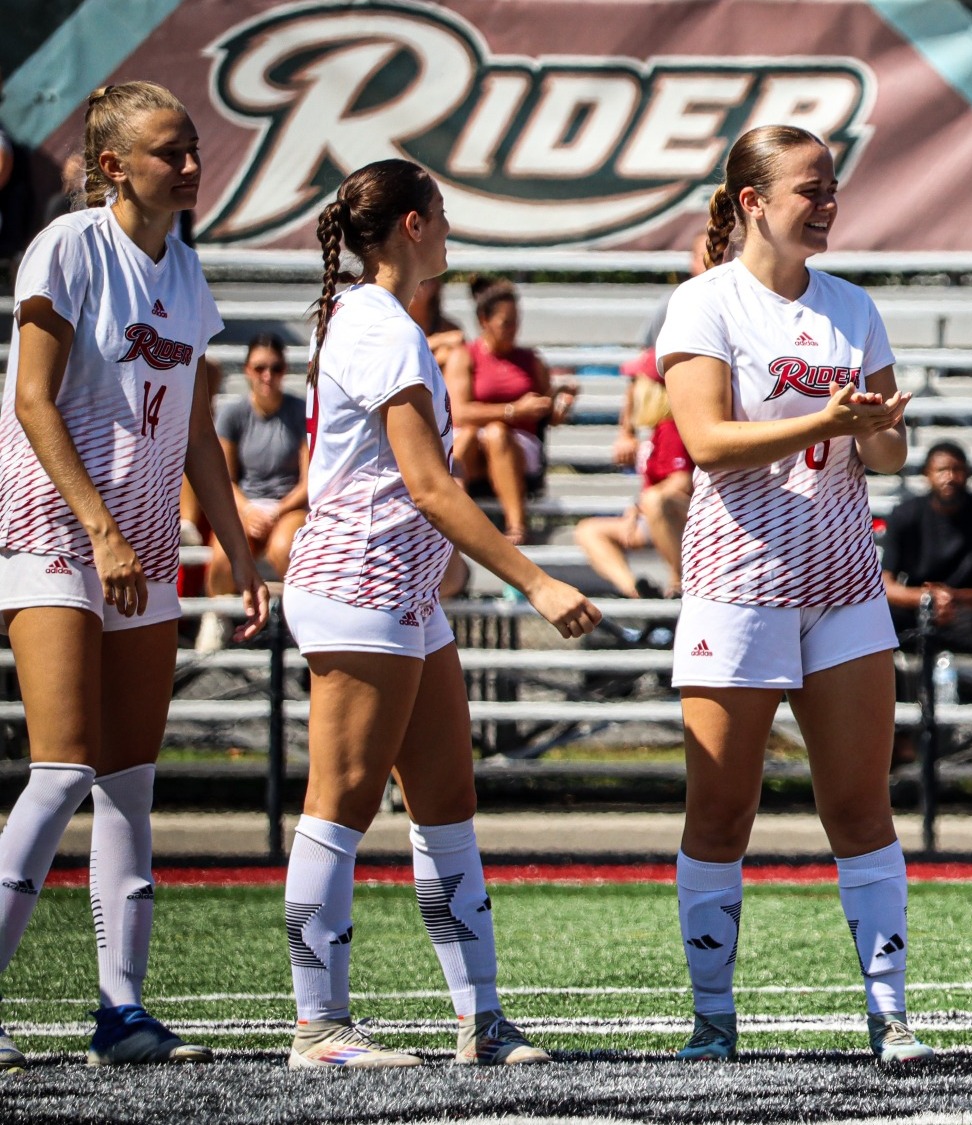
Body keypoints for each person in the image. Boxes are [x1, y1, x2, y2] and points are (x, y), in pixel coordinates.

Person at [280, 157, 601, 1068]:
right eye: (443, 214)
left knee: (447, 805)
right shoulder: (379, 325)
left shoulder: (384, 321)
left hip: (402, 590)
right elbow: (427, 484)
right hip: (360, 581)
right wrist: (532, 581)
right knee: (339, 806)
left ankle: (481, 1019)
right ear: (412, 227)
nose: (452, 228)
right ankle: (318, 1026)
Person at [0, 81, 268, 1066]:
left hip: (147, 545)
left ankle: (123, 1013)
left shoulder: (188, 277)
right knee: (63, 766)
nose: (191, 165)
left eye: (193, 148)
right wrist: (102, 529)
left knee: (127, 785)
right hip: (57, 534)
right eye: (171, 152)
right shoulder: (67, 247)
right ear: (113, 166)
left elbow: (198, 432)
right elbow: (34, 402)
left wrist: (237, 552)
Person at [656, 123, 933, 1066]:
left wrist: (880, 430)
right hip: (738, 584)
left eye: (833, 186)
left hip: (844, 584)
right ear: (753, 203)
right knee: (721, 812)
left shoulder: (854, 305)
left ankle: (890, 1014)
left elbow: (884, 453)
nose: (829, 201)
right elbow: (705, 440)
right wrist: (826, 415)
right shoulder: (705, 304)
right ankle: (713, 1018)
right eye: (811, 188)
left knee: (861, 809)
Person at [880, 440, 972, 781]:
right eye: (941, 470)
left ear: (967, 474)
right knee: (873, 627)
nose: (949, 477)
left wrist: (954, 598)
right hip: (918, 608)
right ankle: (896, 737)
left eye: (956, 469)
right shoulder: (906, 514)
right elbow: (886, 585)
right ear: (927, 476)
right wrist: (926, 599)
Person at [194, 334, 308, 651]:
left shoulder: (300, 412)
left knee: (286, 548)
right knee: (221, 557)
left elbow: (308, 482)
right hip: (247, 504)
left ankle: (298, 623)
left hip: (288, 506)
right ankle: (217, 617)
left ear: (285, 370)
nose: (267, 376)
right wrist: (248, 511)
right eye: (260, 368)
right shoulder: (233, 415)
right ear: (247, 370)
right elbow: (225, 479)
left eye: (275, 368)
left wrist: (277, 511)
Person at [446, 276, 575, 543]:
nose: (514, 328)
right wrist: (512, 410)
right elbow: (458, 413)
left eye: (517, 320)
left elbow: (547, 410)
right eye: (506, 322)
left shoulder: (530, 360)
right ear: (485, 321)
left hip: (516, 445)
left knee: (496, 434)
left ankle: (516, 526)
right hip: (474, 444)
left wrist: (561, 402)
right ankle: (449, 522)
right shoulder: (465, 356)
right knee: (471, 435)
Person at [574, 349, 693, 599]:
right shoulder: (656, 428)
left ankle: (682, 582)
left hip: (679, 520)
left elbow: (682, 481)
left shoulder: (672, 426)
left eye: (636, 381)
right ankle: (638, 591)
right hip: (656, 519)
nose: (631, 390)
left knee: (654, 501)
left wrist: (639, 508)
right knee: (588, 531)